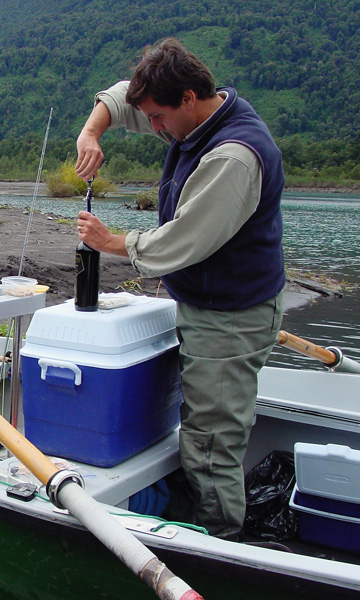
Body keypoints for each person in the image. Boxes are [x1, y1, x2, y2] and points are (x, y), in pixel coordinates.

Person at [75, 39, 284, 539]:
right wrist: (91, 132)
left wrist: (113, 241)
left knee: (212, 441)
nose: (154, 127)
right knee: (200, 426)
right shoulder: (196, 111)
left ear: (189, 98)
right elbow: (126, 96)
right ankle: (195, 518)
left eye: (160, 117)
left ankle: (222, 546)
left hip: (231, 316)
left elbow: (185, 240)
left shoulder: (235, 156)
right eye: (148, 117)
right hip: (204, 303)